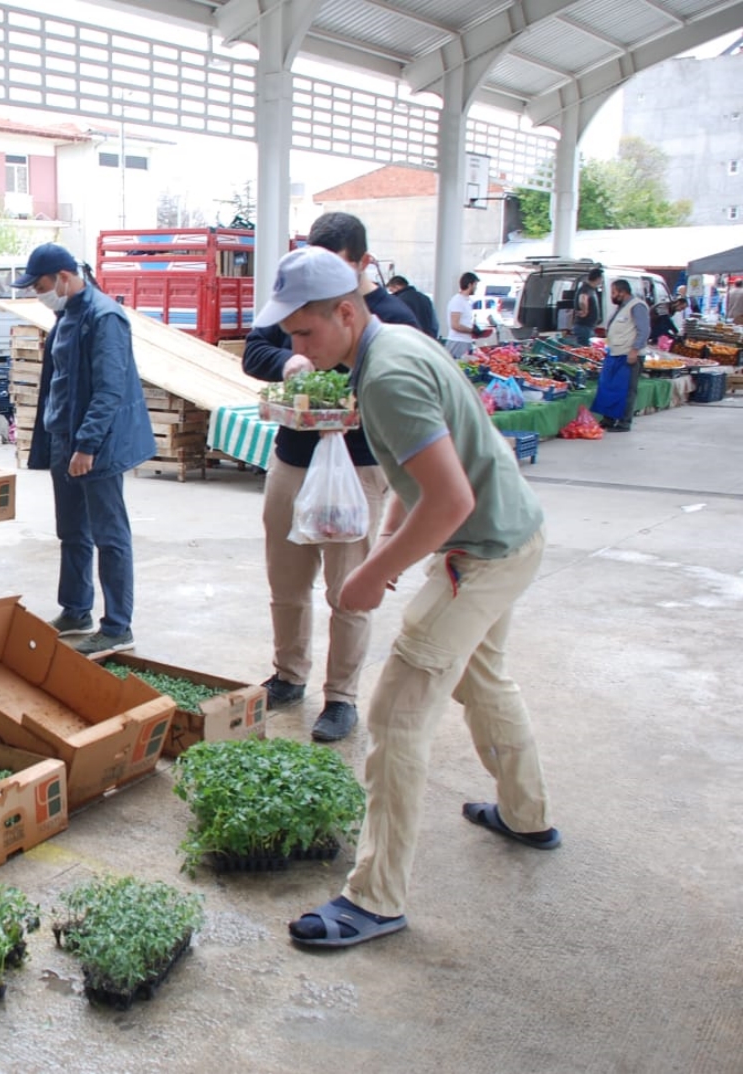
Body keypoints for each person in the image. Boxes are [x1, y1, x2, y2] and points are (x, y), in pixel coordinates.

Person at [251, 245, 555, 950]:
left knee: (395, 714)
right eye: (289, 335)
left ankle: (376, 898)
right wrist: (392, 532)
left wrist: (370, 572)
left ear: (347, 313)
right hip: (511, 534)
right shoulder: (394, 342)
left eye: (304, 333)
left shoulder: (385, 376)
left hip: (481, 553)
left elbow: (449, 498)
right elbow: (429, 477)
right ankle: (526, 813)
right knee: (483, 681)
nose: (295, 348)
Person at [242, 212, 419, 742]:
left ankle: (341, 696)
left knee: (349, 588)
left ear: (361, 266)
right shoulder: (300, 302)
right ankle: (289, 675)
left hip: (359, 468)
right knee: (287, 579)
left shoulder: (393, 321)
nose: (302, 336)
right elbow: (256, 349)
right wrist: (287, 362)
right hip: (294, 458)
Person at [17, 242, 156, 656]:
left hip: (96, 447)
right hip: (65, 440)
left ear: (63, 276)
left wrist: (87, 445)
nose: (38, 294)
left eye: (40, 285)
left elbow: (109, 389)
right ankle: (77, 609)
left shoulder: (104, 317)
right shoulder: (66, 316)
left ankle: (117, 625)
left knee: (110, 536)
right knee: (72, 531)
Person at [592, 279, 650, 433]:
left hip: (629, 355)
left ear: (622, 292)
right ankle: (609, 419)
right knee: (609, 387)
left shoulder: (637, 306)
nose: (612, 296)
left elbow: (643, 331)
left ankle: (624, 422)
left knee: (626, 390)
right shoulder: (621, 307)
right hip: (614, 353)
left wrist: (634, 351)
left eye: (614, 293)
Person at [444, 272, 485, 359]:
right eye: (475, 285)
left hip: (464, 342)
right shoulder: (458, 301)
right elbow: (455, 325)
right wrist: (472, 330)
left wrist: (473, 328)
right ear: (470, 285)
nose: (476, 288)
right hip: (457, 342)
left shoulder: (466, 301)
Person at [571, 266, 604, 345]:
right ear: (598, 278)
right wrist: (585, 310)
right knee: (584, 352)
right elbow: (582, 299)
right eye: (601, 279)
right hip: (584, 327)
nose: (601, 281)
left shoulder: (591, 289)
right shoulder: (586, 288)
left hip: (587, 327)